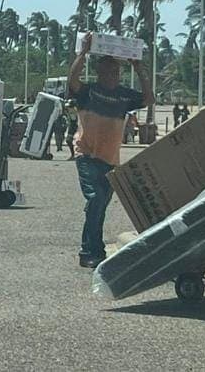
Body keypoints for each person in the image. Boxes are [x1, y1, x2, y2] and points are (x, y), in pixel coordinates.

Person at [69, 33, 152, 268]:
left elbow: (149, 99)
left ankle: (97, 249)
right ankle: (87, 252)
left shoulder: (125, 96)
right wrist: (82, 53)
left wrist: (139, 69)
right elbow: (72, 81)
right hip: (86, 154)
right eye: (106, 72)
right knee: (95, 200)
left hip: (109, 159)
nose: (111, 76)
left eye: (114, 72)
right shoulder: (89, 91)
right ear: (99, 73)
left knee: (100, 205)